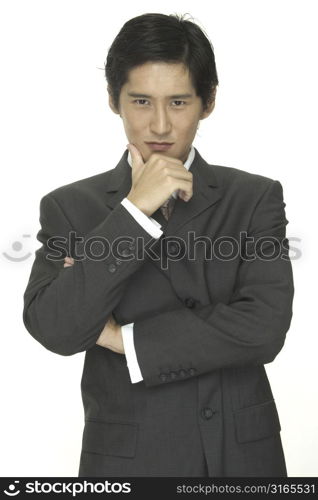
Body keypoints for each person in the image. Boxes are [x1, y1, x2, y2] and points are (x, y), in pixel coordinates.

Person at [22, 12, 294, 477]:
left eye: (180, 102)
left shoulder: (254, 198)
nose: (161, 126)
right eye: (142, 101)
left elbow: (264, 327)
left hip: (241, 459)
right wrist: (132, 212)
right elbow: (57, 329)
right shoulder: (70, 207)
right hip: (130, 463)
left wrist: (120, 338)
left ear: (208, 102)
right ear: (114, 101)